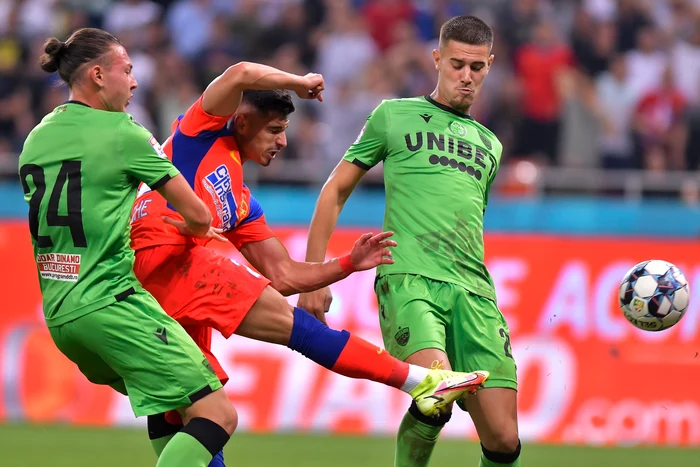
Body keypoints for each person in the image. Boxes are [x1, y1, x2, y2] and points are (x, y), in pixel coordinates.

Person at [128, 60, 490, 465]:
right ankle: (421, 382)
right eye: (275, 130)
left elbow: (283, 274)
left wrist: (346, 264)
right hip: (162, 265)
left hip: (155, 294)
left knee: (190, 410)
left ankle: (422, 383)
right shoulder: (200, 132)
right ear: (243, 121)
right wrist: (299, 83)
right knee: (298, 331)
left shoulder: (242, 203)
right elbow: (238, 74)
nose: (282, 142)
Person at [299, 15, 521, 467]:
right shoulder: (392, 115)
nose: (466, 76)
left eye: (477, 67)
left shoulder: (490, 145)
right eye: (457, 64)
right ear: (437, 59)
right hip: (410, 277)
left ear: (490, 65)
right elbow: (335, 190)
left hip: (474, 293)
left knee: (503, 438)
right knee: (434, 392)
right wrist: (311, 277)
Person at [18, 28, 236, 467]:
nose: (134, 82)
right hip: (111, 302)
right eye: (128, 70)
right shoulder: (124, 133)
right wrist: (198, 230)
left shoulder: (36, 138)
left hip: (61, 316)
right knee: (218, 414)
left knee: (171, 406)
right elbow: (198, 214)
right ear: (98, 75)